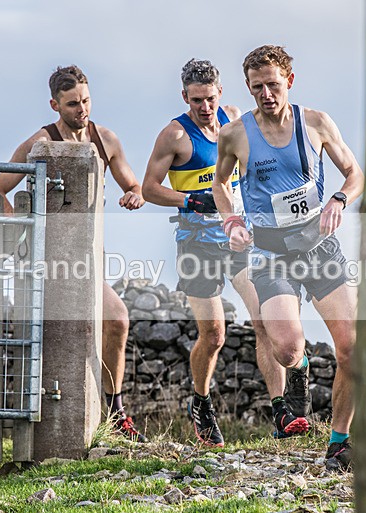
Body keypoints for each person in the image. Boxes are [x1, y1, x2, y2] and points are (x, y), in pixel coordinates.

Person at [142, 59, 310, 447]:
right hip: (197, 244)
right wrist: (190, 201)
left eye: (210, 99)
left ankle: (281, 411)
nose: (205, 107)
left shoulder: (233, 119)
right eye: (196, 100)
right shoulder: (174, 136)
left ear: (220, 93)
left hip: (240, 240)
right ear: (185, 97)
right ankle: (201, 402)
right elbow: (149, 188)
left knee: (263, 319)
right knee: (215, 335)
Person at [212, 45, 364, 470]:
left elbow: (355, 174)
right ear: (248, 88)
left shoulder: (315, 123)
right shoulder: (235, 135)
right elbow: (220, 184)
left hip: (318, 247)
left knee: (352, 348)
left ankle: (339, 442)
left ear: (289, 82)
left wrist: (338, 199)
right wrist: (231, 222)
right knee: (285, 347)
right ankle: (300, 368)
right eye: (256, 87)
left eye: (273, 85)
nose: (266, 94)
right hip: (269, 252)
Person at [0, 65, 147, 442]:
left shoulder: (105, 139)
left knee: (117, 320)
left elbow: (134, 184)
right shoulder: (39, 143)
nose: (82, 109)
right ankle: (27, 423)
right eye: (73, 103)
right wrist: (18, 231)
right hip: (48, 261)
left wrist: (134, 195)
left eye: (86, 101)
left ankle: (115, 412)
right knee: (51, 337)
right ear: (55, 105)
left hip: (89, 259)